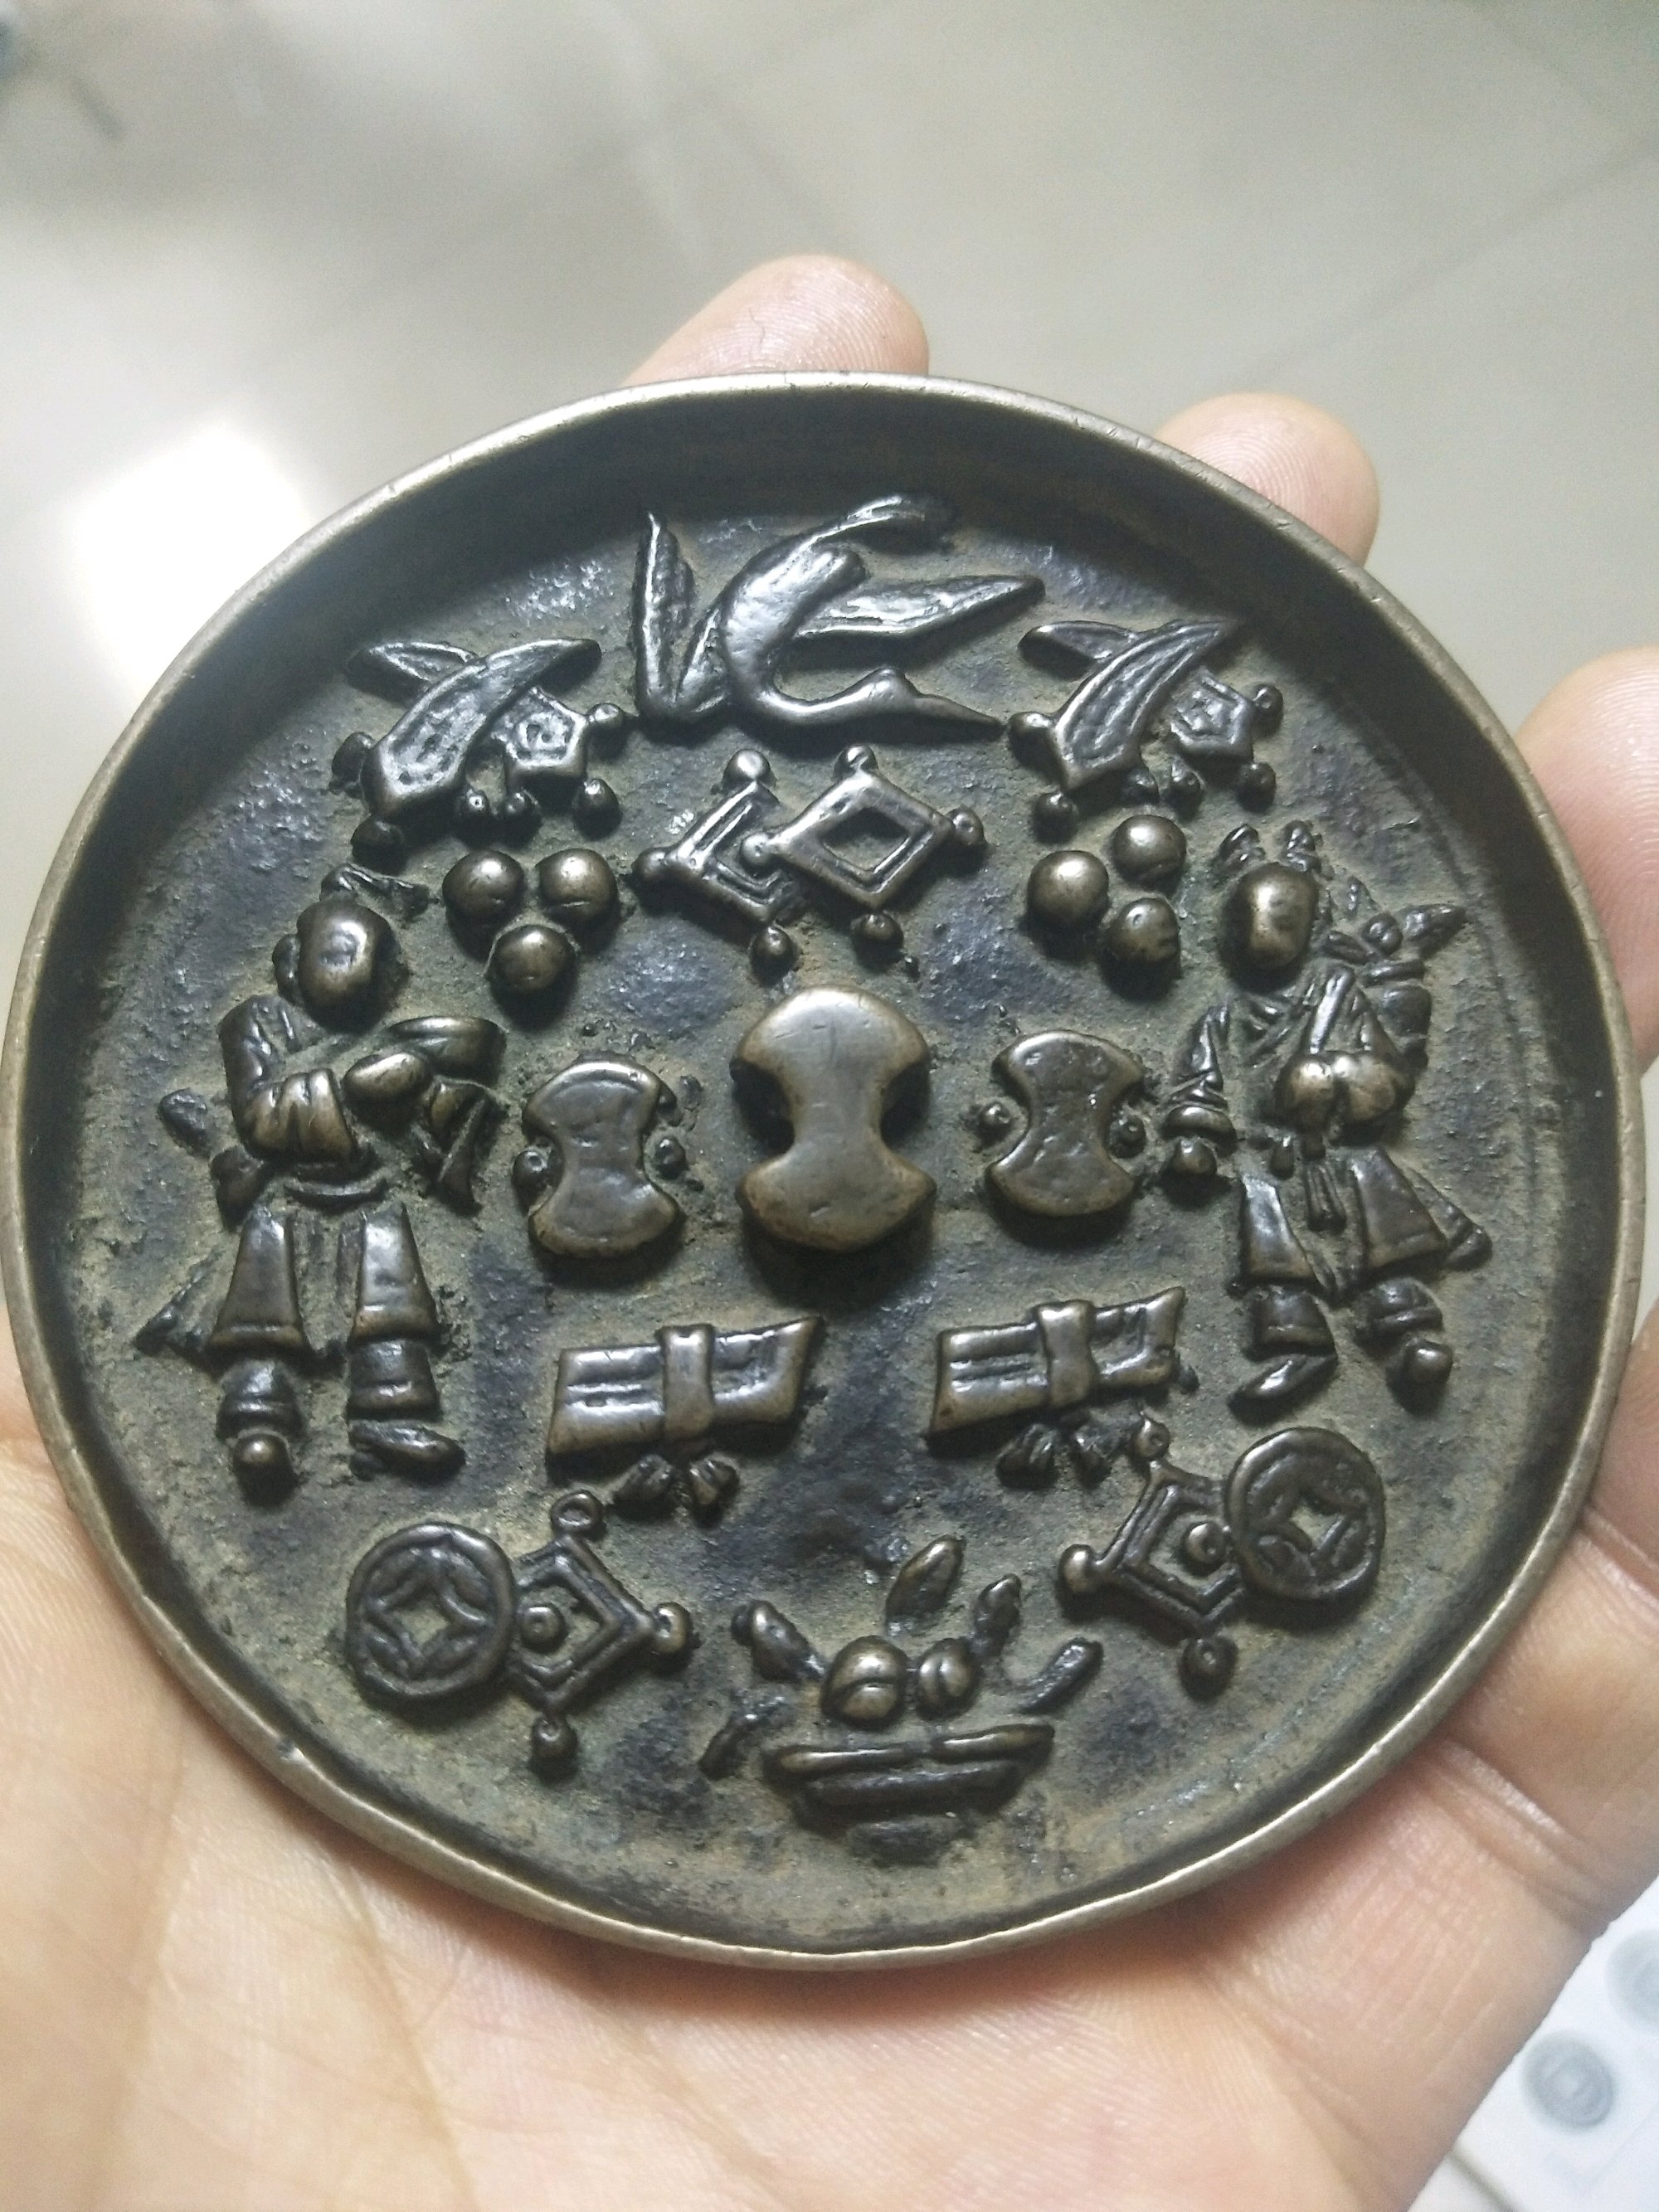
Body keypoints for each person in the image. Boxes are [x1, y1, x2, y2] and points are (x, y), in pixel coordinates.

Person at [2, 255, 1656, 2210]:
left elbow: (1262, 1079)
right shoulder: (304, 1034)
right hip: (372, 1249)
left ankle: (1316, 1323)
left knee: (1313, 1240)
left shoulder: (1220, 1009)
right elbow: (296, 1103)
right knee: (341, 1317)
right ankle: (316, 1405)